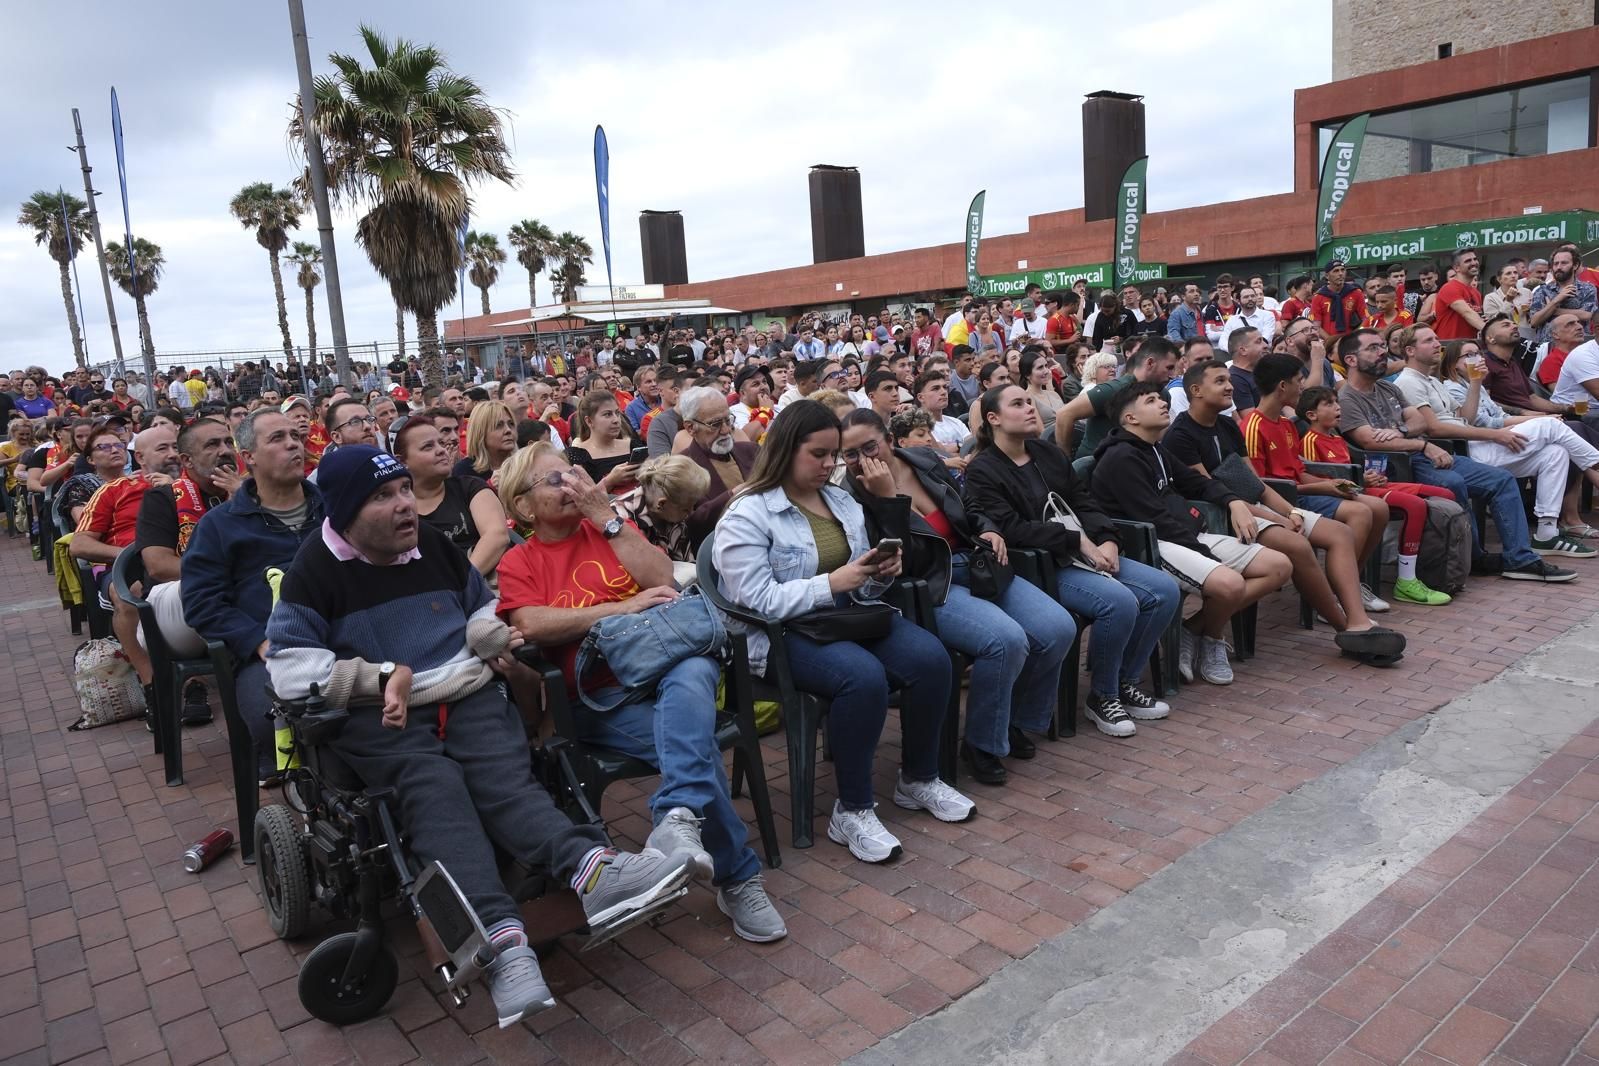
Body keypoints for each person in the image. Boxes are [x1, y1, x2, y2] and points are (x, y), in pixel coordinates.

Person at [266, 445, 698, 1026]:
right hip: (383, 710)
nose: (403, 507)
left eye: (402, 492)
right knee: (436, 790)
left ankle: (596, 872)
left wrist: (489, 636)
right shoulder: (313, 570)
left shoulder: (434, 548)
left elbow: (479, 607)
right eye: (382, 497)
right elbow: (288, 666)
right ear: (344, 513)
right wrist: (376, 676)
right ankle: (502, 944)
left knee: (506, 780)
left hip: (464, 688)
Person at [490, 443, 783, 943]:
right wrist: (622, 609)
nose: (572, 484)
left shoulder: (606, 530)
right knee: (696, 748)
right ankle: (736, 875)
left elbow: (662, 579)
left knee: (692, 667)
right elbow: (533, 623)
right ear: (522, 506)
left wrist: (607, 519)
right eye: (554, 480)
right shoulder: (521, 561)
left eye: (572, 472)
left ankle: (678, 818)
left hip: (666, 671)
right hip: (598, 700)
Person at [713, 401, 973, 862]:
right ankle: (851, 809)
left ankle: (918, 778)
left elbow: (860, 577)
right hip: (779, 635)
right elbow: (757, 601)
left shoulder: (839, 500)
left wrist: (879, 571)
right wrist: (831, 583)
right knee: (863, 677)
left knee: (932, 658)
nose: (831, 465)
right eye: (819, 454)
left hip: (847, 616)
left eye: (834, 454)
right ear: (786, 450)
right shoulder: (748, 513)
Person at [828, 408, 1072, 778]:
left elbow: (966, 501)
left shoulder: (923, 458)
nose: (862, 460)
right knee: (1006, 640)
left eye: (870, 447)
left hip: (974, 564)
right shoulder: (850, 498)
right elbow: (897, 564)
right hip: (928, 586)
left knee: (1058, 627)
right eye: (850, 454)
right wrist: (889, 499)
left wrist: (987, 528)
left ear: (891, 442)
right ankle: (982, 744)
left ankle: (1013, 721)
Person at [960, 386, 1182, 739]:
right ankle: (1103, 696)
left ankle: (1123, 680)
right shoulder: (983, 470)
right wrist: (1076, 540)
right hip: (1043, 566)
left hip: (1085, 551)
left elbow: (1082, 500)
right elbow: (1011, 529)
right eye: (1018, 404)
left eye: (1030, 402)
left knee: (1164, 590)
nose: (1030, 409)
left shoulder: (1046, 453)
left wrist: (1107, 538)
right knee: (1119, 601)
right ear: (994, 418)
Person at [1166, 362, 1407, 662]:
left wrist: (1289, 510)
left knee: (1341, 533)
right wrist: (1277, 518)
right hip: (1221, 515)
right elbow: (1213, 493)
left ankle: (1357, 619)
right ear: (1196, 391)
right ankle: (1346, 630)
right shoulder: (1180, 435)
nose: (1230, 386)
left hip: (1254, 505)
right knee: (1297, 544)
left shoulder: (1226, 425)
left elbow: (1253, 483)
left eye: (1229, 379)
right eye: (1220, 381)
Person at [1334, 328, 1576, 582]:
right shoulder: (1348, 398)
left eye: (1382, 346)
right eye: (1373, 348)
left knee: (1501, 480)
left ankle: (1520, 559)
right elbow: (1367, 440)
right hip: (1393, 466)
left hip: (1428, 453)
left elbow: (1419, 422)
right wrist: (1420, 445)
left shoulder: (1388, 388)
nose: (1383, 352)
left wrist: (1400, 430)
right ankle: (1469, 557)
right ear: (1350, 360)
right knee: (1453, 482)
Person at [1089, 383, 1292, 684]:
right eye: (1151, 400)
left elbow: (1198, 483)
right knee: (1230, 584)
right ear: (1130, 418)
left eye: (1161, 397)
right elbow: (1154, 519)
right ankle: (1211, 639)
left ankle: (1197, 630)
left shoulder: (1156, 449)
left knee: (1279, 567)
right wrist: (1206, 555)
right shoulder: (1120, 458)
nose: (1163, 403)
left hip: (1185, 536)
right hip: (1153, 545)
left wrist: (1233, 501)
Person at [182, 410, 329, 780]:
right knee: (275, 718)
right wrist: (258, 643)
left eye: (295, 435)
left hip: (345, 634)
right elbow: (202, 602)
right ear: (248, 456)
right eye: (277, 438)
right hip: (268, 653)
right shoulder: (220, 525)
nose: (293, 443)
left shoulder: (334, 510)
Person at [1392, 326, 1597, 560]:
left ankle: (1547, 533)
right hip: (1461, 450)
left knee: (1556, 452)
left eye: (1437, 338)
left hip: (1475, 444)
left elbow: (1465, 418)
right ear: (1410, 350)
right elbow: (1433, 428)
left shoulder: (1431, 380)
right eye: (1429, 340)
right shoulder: (1409, 382)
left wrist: (1476, 382)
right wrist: (1495, 435)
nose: (1438, 343)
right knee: (1552, 426)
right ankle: (1596, 464)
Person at [131, 417, 243, 722]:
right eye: (212, 444)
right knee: (226, 588)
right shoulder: (163, 497)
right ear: (186, 460)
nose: (224, 451)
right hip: (173, 609)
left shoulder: (251, 491)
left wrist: (244, 501)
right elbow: (158, 565)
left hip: (231, 602)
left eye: (227, 443)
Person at [70, 424, 184, 706]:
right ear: (141, 458)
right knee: (129, 598)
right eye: (163, 449)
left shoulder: (193, 486)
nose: (172, 455)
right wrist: (133, 553)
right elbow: (79, 545)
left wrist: (176, 490)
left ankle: (194, 683)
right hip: (129, 566)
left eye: (176, 448)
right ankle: (153, 685)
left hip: (183, 563)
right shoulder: (115, 490)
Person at [392, 414, 509, 576]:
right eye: (428, 446)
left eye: (440, 443)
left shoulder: (469, 487)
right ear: (402, 461)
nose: (441, 450)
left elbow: (497, 536)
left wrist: (464, 583)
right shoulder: (395, 508)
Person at [1054, 337, 1181, 459]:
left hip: (1137, 464)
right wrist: (1065, 465)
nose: (1173, 375)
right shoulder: (1112, 390)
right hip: (1094, 468)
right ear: (1150, 363)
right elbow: (1064, 415)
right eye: (1169, 368)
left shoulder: (1164, 395)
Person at [674, 386, 758, 550]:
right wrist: (733, 495)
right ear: (690, 428)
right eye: (715, 424)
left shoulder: (751, 451)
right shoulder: (680, 469)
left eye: (728, 420)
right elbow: (689, 524)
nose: (726, 430)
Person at [1527, 247, 1597, 347]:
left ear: (1575, 265)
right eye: (1556, 264)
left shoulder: (1587, 288)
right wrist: (1556, 300)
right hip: (1548, 348)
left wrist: (1552, 310)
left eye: (1564, 263)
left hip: (1578, 348)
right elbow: (1534, 321)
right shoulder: (1542, 290)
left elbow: (1586, 315)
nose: (1559, 267)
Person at [454, 400, 518, 484]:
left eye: (511, 424)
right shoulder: (464, 471)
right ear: (480, 433)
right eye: (498, 425)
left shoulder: (524, 463)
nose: (508, 430)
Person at [1433, 249, 1486, 341]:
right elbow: (1467, 313)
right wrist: (1490, 331)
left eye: (1475, 259)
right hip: (1450, 347)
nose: (1474, 263)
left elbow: (1474, 318)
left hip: (1469, 346)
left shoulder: (1476, 293)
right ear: (1457, 268)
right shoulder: (1450, 287)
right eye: (1468, 261)